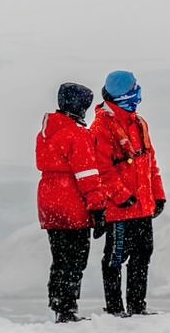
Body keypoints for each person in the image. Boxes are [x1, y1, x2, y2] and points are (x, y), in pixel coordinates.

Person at [89, 70, 166, 317]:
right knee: (115, 259)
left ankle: (137, 306)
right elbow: (102, 170)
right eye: (135, 89)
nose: (139, 94)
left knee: (143, 255)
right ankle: (114, 309)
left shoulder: (139, 123)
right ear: (124, 94)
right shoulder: (101, 127)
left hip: (143, 206)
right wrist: (122, 196)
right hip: (119, 210)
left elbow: (150, 162)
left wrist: (158, 194)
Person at [36, 82, 108, 324]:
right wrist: (98, 208)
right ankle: (68, 308)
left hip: (49, 201)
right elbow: (87, 176)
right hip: (72, 202)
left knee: (59, 256)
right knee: (76, 257)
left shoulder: (45, 133)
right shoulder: (78, 135)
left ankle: (58, 303)